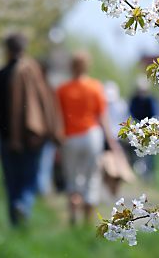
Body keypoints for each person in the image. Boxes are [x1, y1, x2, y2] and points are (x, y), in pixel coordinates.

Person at [0, 33, 63, 227]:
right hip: (33, 137)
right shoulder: (36, 73)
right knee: (29, 179)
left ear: (7, 50)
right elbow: (48, 103)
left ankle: (15, 222)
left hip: (6, 137)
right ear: (24, 48)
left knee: (12, 181)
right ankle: (24, 206)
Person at [56, 52, 118, 224]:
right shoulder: (95, 87)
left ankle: (73, 215)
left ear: (71, 66)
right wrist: (111, 142)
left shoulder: (63, 89)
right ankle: (87, 221)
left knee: (73, 176)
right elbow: (103, 117)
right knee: (92, 177)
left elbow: (58, 116)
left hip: (70, 138)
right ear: (87, 66)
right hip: (92, 136)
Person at [129, 77, 159, 182]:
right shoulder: (134, 100)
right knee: (136, 151)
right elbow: (131, 113)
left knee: (149, 153)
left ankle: (149, 176)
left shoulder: (151, 100)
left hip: (149, 129)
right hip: (137, 128)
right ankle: (136, 174)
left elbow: (155, 114)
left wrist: (149, 126)